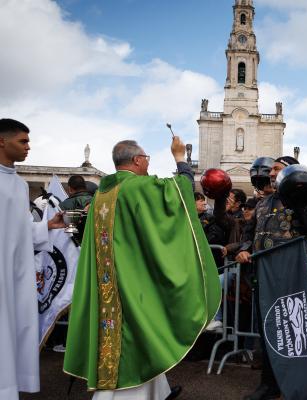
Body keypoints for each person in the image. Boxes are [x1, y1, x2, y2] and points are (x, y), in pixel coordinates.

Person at [63, 137, 221, 400]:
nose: (148, 162)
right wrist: (181, 159)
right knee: (136, 334)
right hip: (130, 283)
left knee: (144, 331)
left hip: (109, 282)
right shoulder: (136, 188)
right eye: (146, 157)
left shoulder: (102, 194)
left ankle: (159, 392)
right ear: (137, 160)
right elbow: (180, 193)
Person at [241, 155, 307, 400]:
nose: (270, 173)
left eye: (277, 169)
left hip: (290, 277)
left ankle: (297, 383)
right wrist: (245, 248)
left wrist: (299, 201)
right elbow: (250, 232)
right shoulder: (263, 203)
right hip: (263, 277)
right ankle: (269, 384)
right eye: (270, 170)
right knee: (267, 330)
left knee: (293, 332)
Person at [0, 119, 65, 400]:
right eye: (23, 141)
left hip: (15, 271)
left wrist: (46, 227)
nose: (28, 147)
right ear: (2, 141)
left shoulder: (16, 183)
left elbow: (19, 227)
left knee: (14, 329)